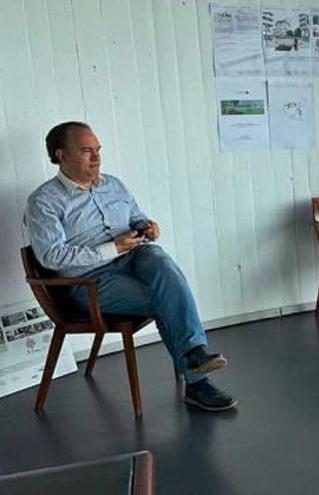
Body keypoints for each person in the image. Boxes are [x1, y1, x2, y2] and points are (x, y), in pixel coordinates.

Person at [24, 122, 237, 412]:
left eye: (98, 150)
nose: (96, 157)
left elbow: (136, 217)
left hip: (134, 258)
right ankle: (197, 379)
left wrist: (146, 227)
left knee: (159, 258)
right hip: (90, 282)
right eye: (87, 151)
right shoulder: (44, 201)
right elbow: (52, 256)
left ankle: (196, 355)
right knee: (167, 298)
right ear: (61, 155)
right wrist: (113, 248)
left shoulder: (113, 184)